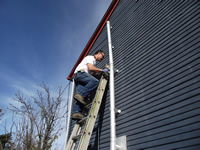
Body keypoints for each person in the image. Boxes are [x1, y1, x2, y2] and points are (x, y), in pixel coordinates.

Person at [72, 50, 108, 120]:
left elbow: (92, 72)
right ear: (98, 54)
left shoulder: (93, 63)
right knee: (95, 82)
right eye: (102, 56)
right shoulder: (90, 58)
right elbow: (90, 68)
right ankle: (80, 95)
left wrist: (97, 73)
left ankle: (76, 112)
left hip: (80, 78)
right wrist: (101, 70)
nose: (102, 58)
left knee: (82, 98)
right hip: (80, 74)